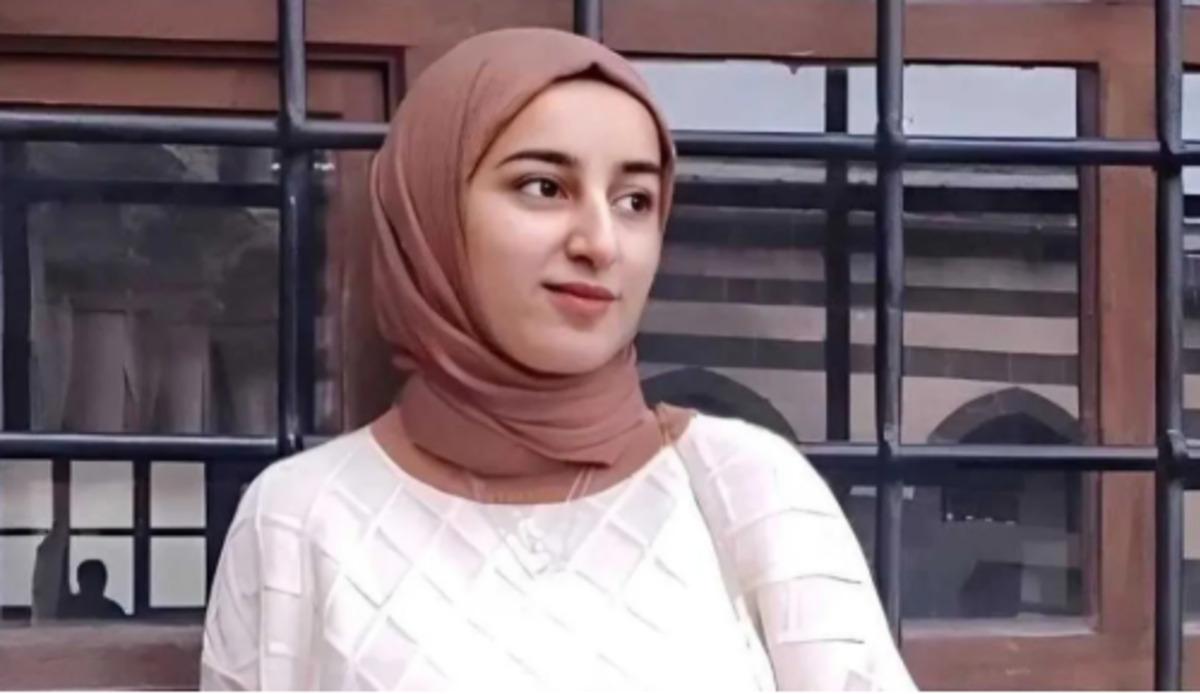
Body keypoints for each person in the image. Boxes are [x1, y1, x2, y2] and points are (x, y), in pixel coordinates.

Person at [200, 27, 915, 691]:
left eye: (634, 200)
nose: (600, 242)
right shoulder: (299, 518)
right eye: (544, 187)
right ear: (430, 214)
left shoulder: (747, 488)